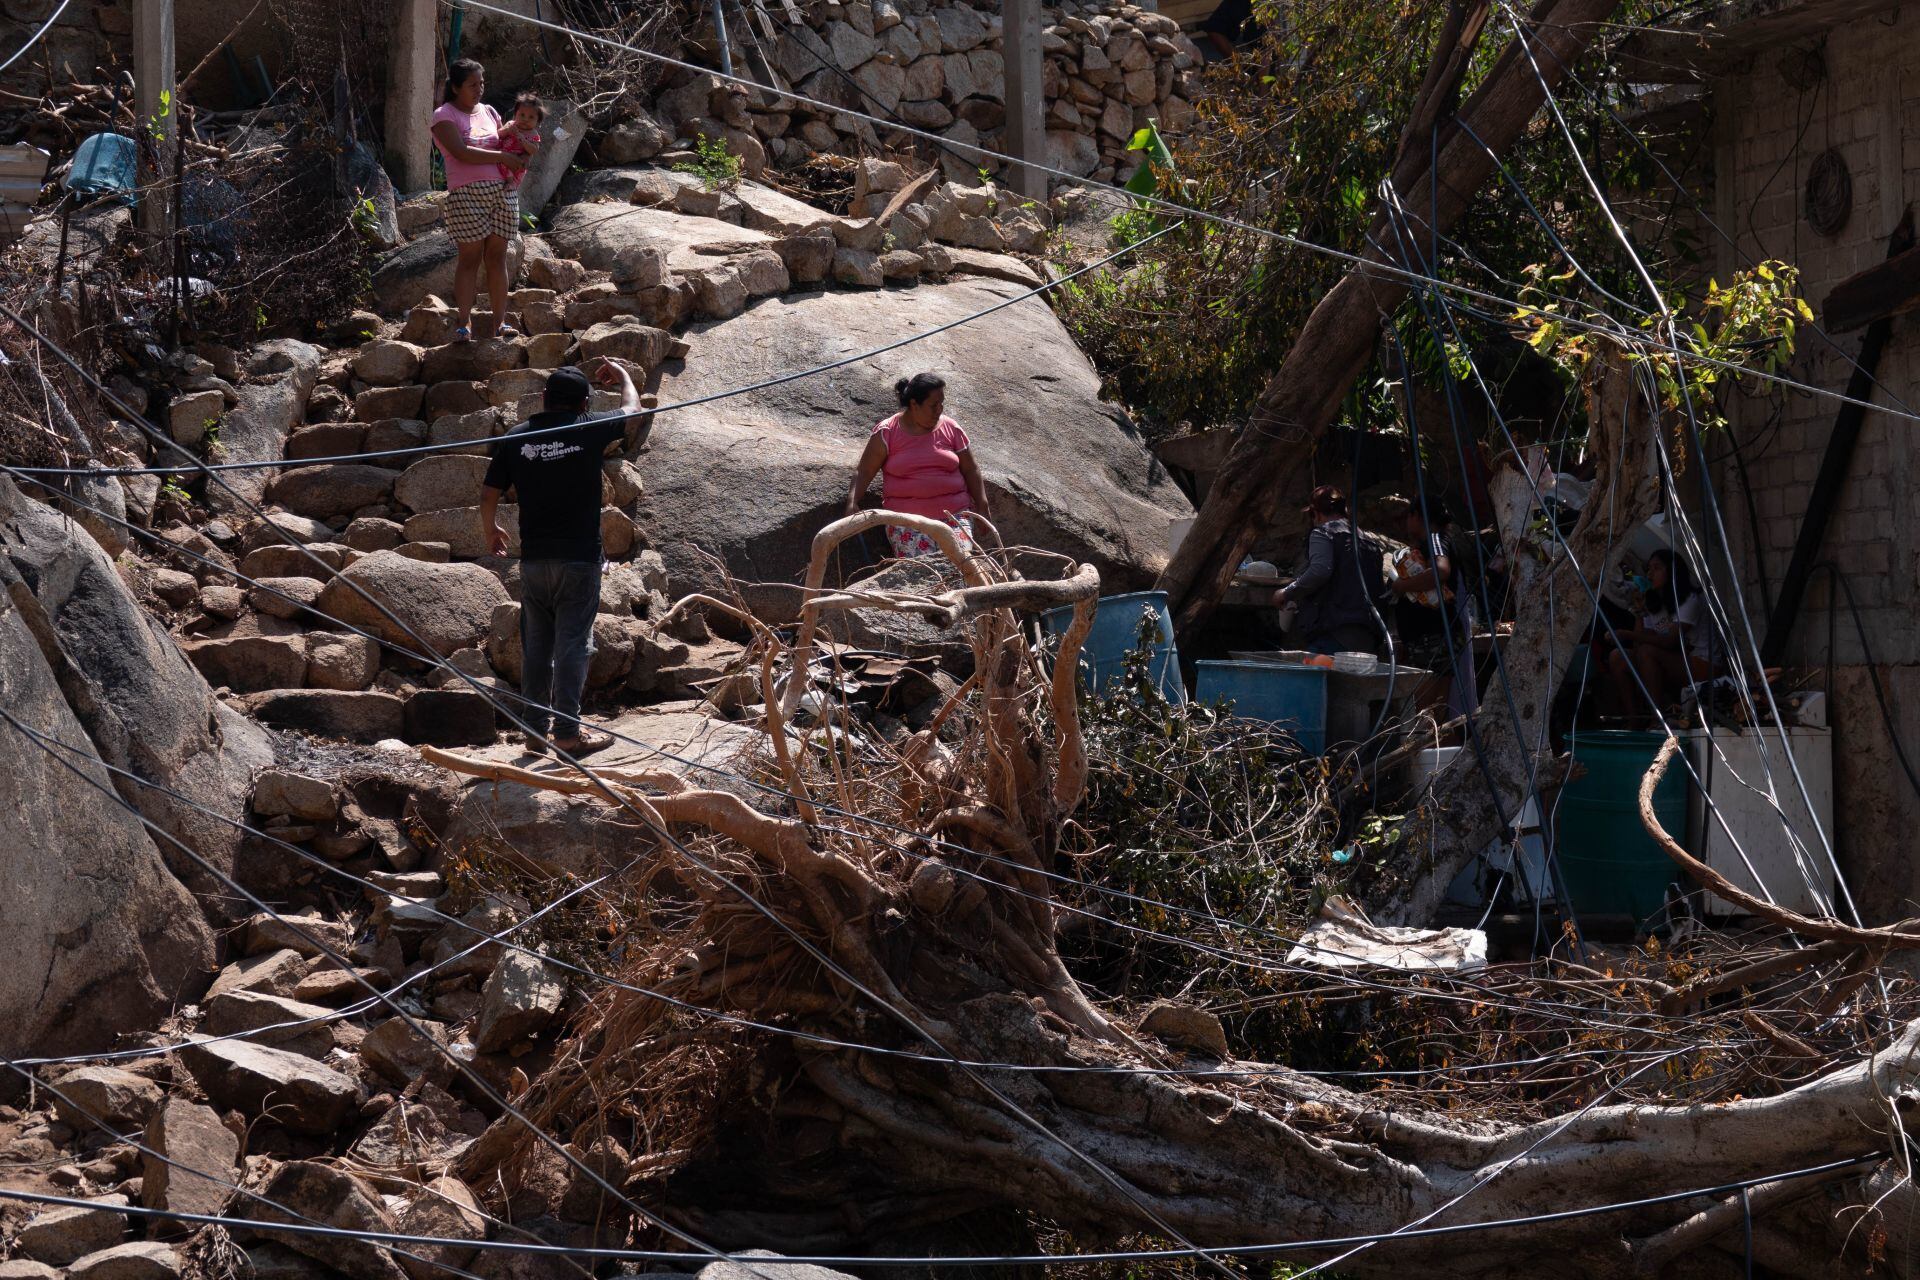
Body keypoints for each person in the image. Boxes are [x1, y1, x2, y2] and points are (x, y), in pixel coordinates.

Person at [480, 360, 649, 756]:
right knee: (573, 643)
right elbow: (634, 411)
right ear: (584, 403)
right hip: (579, 558)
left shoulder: (516, 437)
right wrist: (624, 375)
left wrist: (490, 529)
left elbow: (489, 494)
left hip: (536, 560)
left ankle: (535, 735)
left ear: (543, 399)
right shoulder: (587, 428)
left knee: (537, 648)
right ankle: (569, 735)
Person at [430, 59, 527, 343]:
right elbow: (461, 152)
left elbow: (505, 142)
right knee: (470, 259)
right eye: (473, 84)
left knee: (497, 258)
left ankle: (500, 322)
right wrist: (502, 157)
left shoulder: (489, 112)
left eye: (482, 83)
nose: (479, 89)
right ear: (457, 87)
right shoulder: (443, 116)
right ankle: (464, 322)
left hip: (502, 192)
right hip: (466, 196)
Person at [845, 373, 991, 559]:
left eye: (941, 403)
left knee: (960, 565)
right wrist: (852, 501)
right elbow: (864, 470)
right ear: (914, 404)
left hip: (955, 517)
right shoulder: (887, 432)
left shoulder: (951, 428)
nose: (940, 410)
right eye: (933, 405)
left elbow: (971, 469)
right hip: (907, 522)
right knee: (926, 571)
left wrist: (982, 504)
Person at [1600, 548, 1715, 727]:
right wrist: (1639, 612)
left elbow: (1670, 642)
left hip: (1702, 663)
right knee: (1618, 656)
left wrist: (1625, 634)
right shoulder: (1654, 602)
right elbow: (1639, 645)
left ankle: (1657, 717)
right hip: (1672, 661)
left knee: (1648, 652)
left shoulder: (1689, 600)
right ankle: (1634, 719)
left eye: (1657, 568)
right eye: (1649, 569)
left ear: (1672, 571)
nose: (1650, 573)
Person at [1271, 486, 1386, 656]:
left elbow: (1319, 571)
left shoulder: (1323, 533)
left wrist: (1287, 593)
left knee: (1317, 681)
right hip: (1367, 635)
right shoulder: (1369, 541)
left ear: (1316, 514)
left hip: (1334, 633)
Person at [1390, 503, 1479, 720]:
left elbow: (1441, 570)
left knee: (1426, 711)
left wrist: (1402, 586)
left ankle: (1430, 750)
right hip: (1437, 636)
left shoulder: (1435, 539)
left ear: (1417, 516)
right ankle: (1438, 749)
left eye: (1408, 517)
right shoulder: (1433, 542)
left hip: (1432, 638)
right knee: (1436, 712)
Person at [498, 91, 544, 193]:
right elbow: (499, 134)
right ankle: (507, 181)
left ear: (538, 121)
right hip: (503, 155)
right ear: (515, 114)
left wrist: (523, 140)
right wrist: (507, 130)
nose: (525, 119)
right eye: (522, 115)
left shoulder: (533, 134)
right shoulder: (511, 124)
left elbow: (534, 150)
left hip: (518, 161)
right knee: (501, 162)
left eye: (531, 117)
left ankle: (511, 183)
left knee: (518, 172)